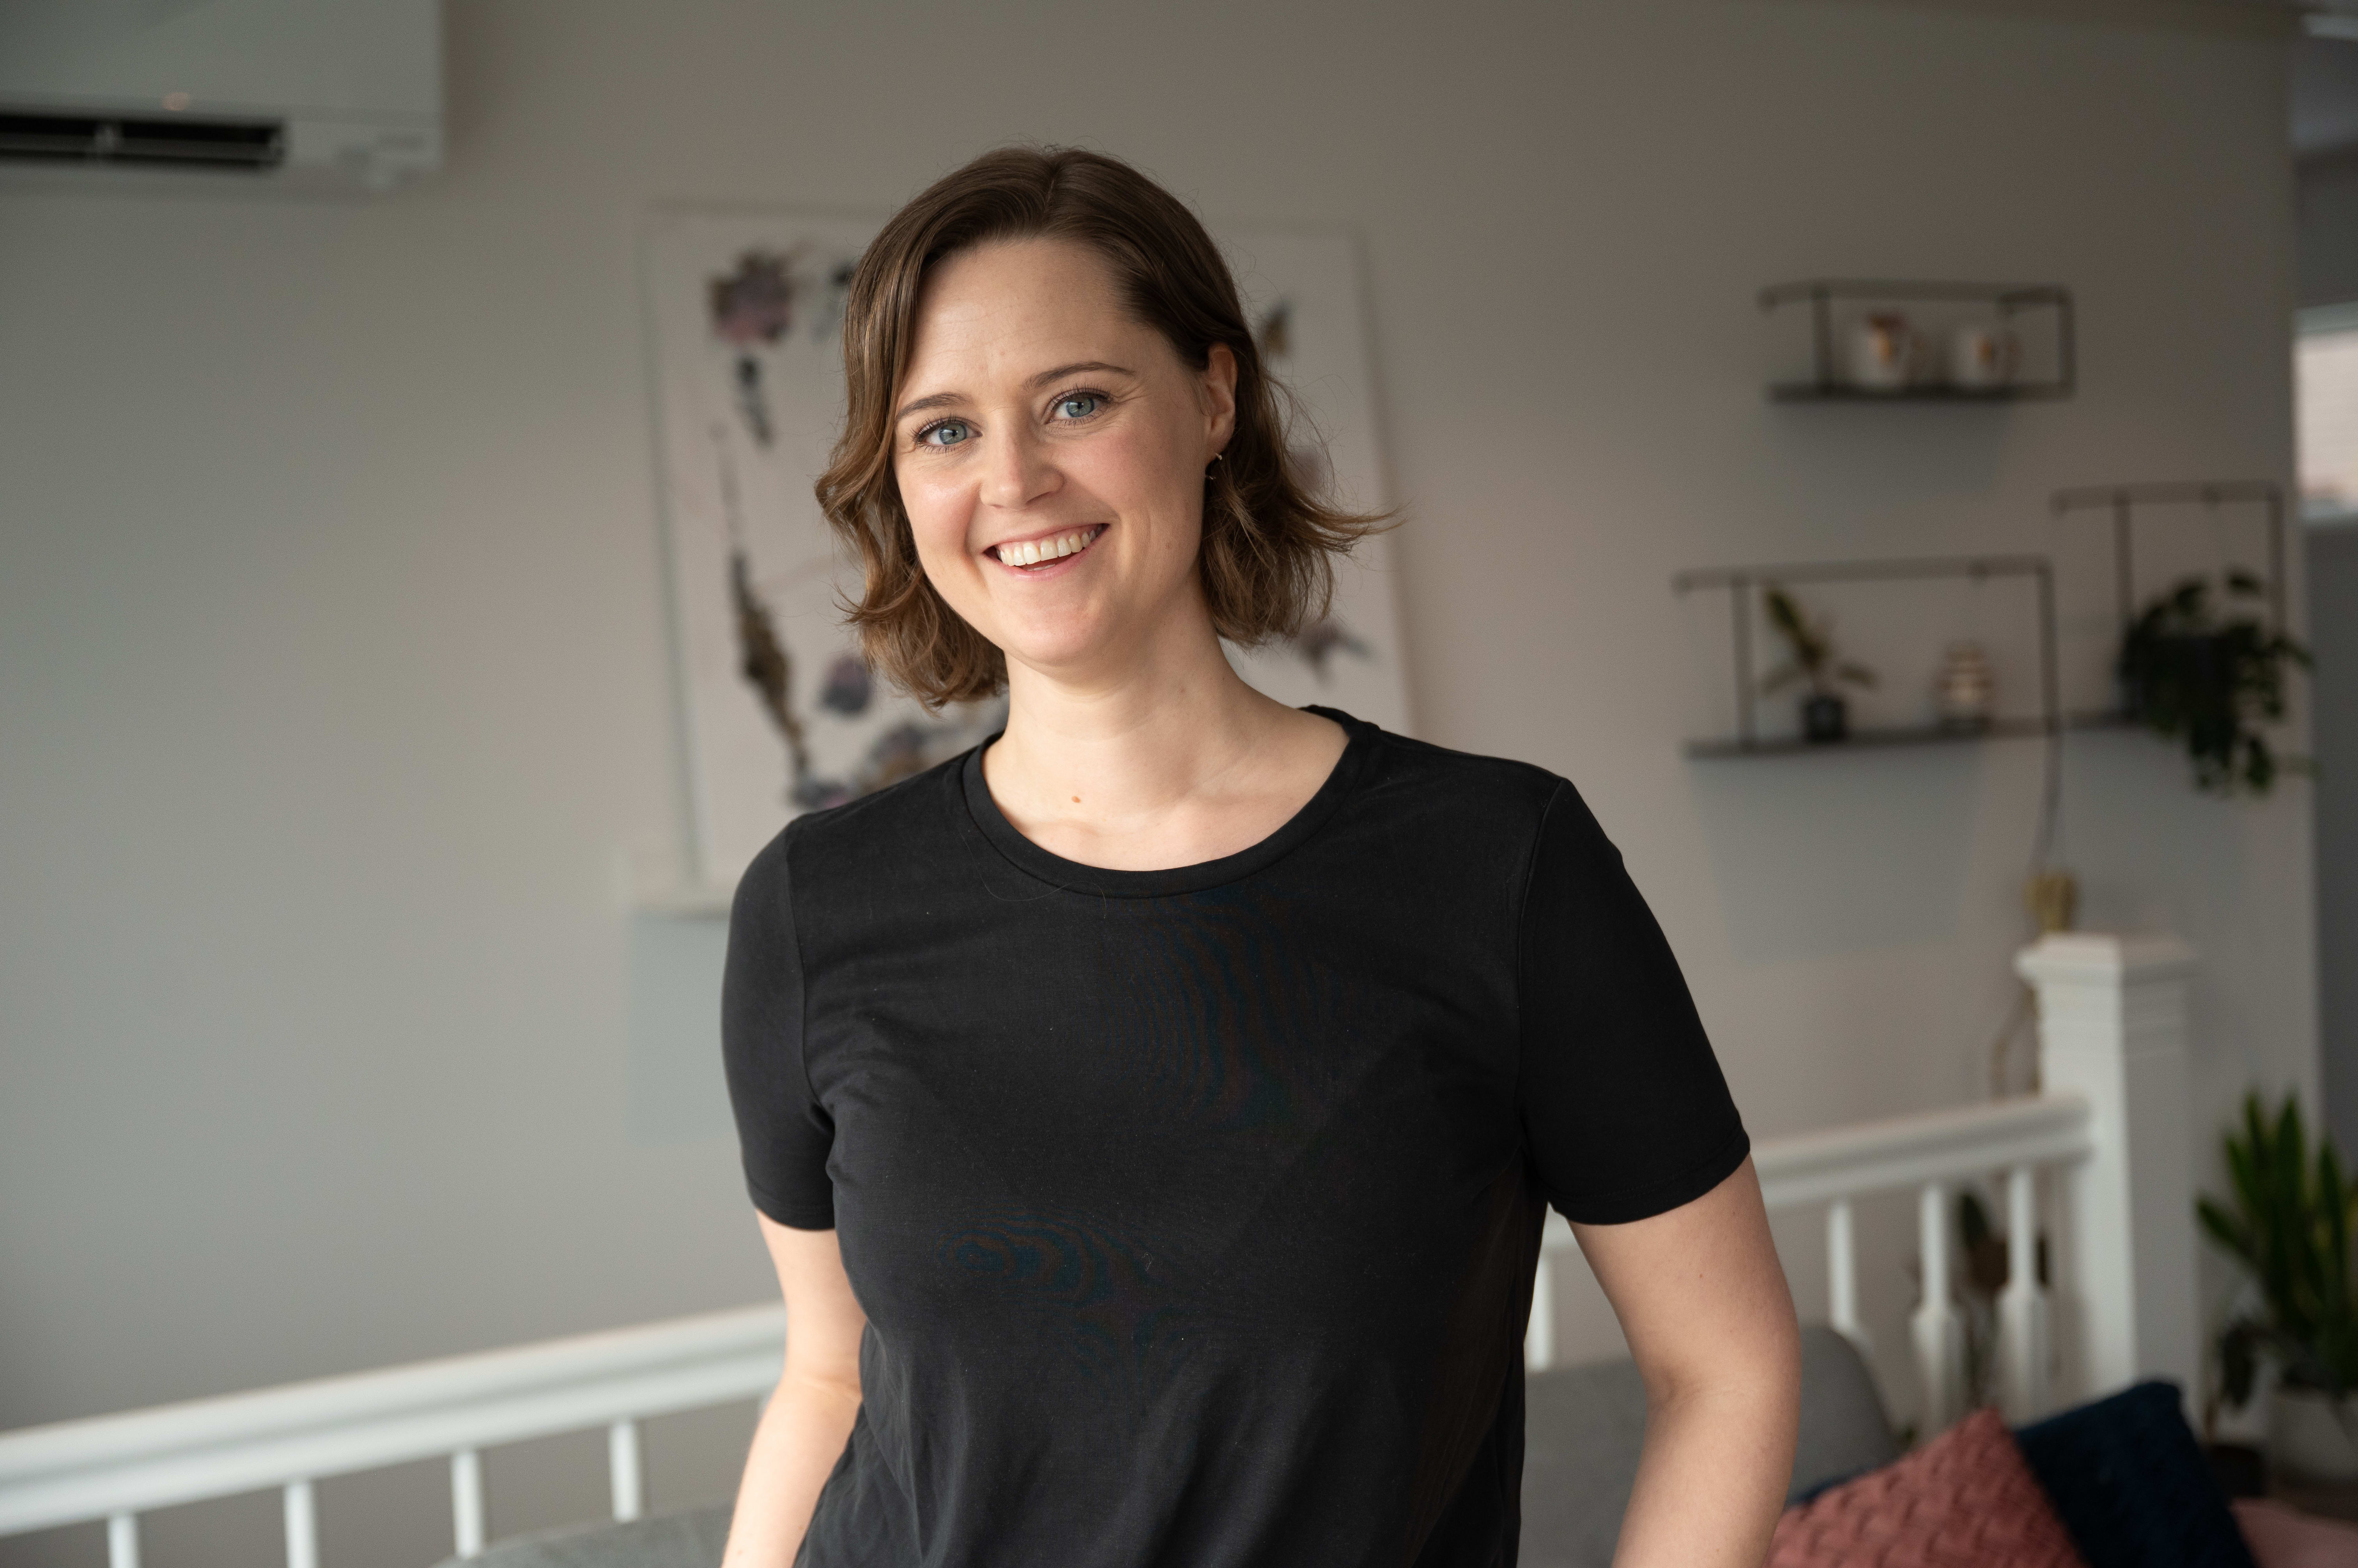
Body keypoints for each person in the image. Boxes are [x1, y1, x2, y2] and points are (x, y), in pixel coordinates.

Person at [720, 145, 1800, 1568]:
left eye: (1078, 402)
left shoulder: (1500, 867)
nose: (1014, 480)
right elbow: (831, 1377)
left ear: (1214, 399)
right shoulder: (816, 905)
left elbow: (1726, 1367)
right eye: (943, 431)